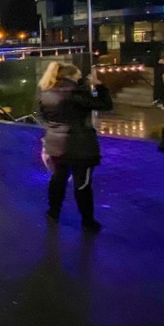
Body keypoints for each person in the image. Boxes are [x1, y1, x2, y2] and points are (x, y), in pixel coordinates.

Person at [37, 61, 112, 232]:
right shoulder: (76, 93)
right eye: (78, 77)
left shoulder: (45, 93)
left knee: (58, 179)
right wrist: (99, 87)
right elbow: (105, 105)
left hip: (55, 144)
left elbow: (43, 117)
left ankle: (53, 212)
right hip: (81, 147)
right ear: (71, 77)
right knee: (82, 184)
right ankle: (87, 221)